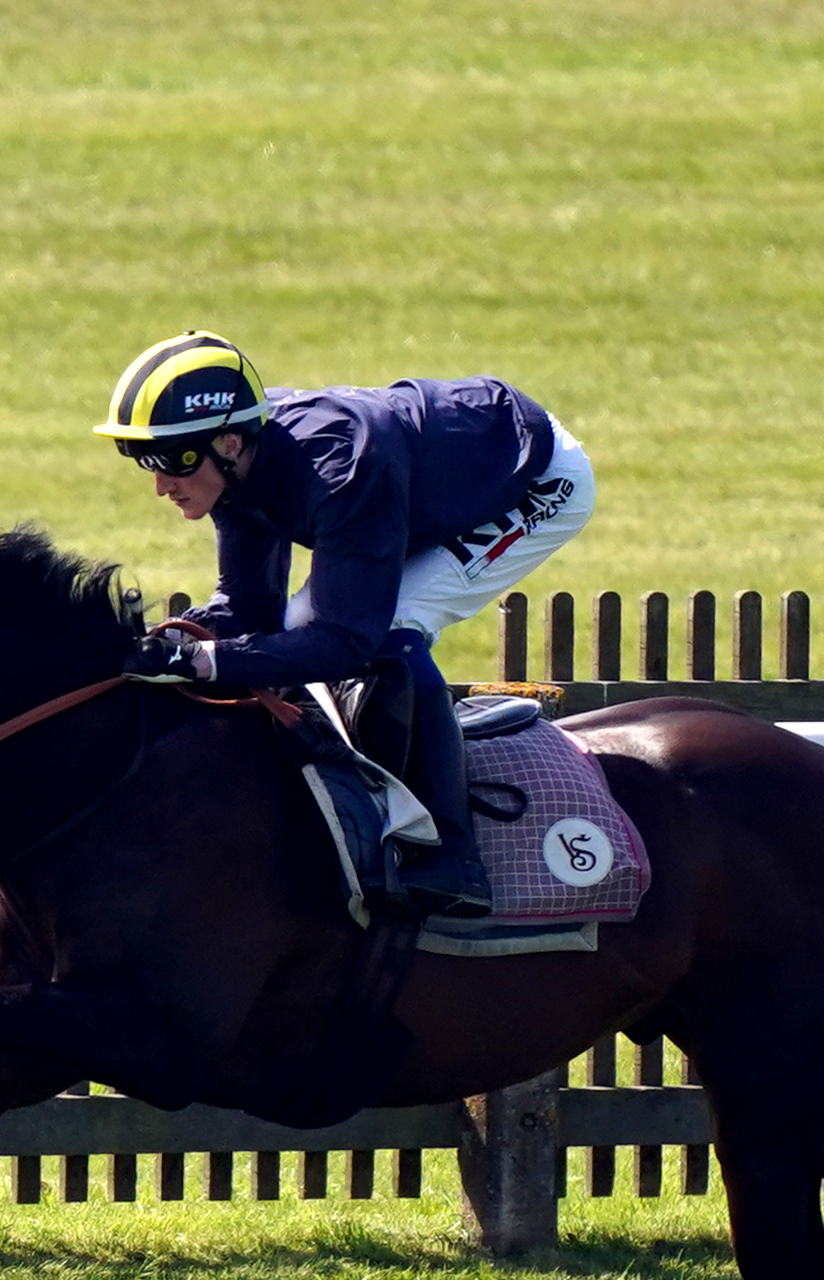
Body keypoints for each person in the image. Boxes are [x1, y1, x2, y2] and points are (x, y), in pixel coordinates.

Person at [96, 329, 596, 917]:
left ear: (230, 442)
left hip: (532, 480)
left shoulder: (339, 467)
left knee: (391, 628)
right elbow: (248, 607)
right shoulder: (242, 464)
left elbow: (345, 638)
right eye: (142, 461)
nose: (160, 485)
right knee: (293, 622)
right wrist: (181, 638)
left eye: (169, 460)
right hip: (418, 489)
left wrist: (206, 661)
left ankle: (455, 858)